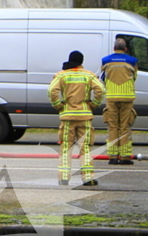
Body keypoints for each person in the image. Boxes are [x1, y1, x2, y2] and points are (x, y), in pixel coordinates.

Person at [49, 50, 104, 186]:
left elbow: (52, 91)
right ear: (81, 62)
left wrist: (58, 105)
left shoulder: (61, 75)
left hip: (67, 116)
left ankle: (64, 178)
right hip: (84, 116)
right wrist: (94, 104)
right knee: (85, 147)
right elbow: (100, 90)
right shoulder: (89, 75)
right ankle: (88, 178)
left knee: (66, 147)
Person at [101, 38, 138, 165]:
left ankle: (112, 156)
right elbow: (135, 77)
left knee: (112, 126)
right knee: (124, 127)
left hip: (111, 97)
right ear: (125, 48)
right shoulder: (132, 61)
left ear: (113, 48)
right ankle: (125, 157)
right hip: (127, 98)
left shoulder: (106, 60)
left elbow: (103, 77)